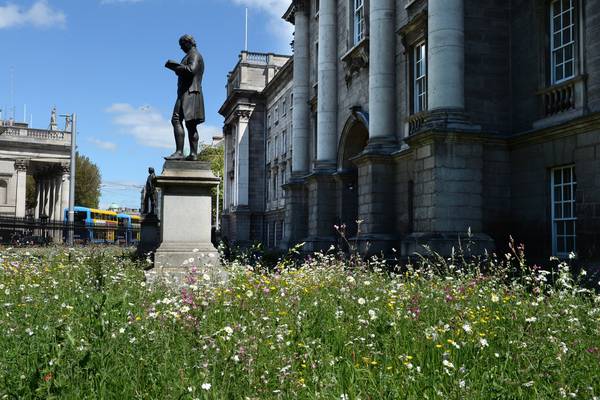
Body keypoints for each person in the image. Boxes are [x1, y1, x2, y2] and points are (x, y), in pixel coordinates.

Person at [165, 34, 205, 161]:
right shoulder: (188, 55)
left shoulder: (195, 55)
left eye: (182, 45)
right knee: (186, 123)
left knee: (182, 121)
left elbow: (191, 70)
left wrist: (176, 67)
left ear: (189, 43)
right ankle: (188, 153)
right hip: (185, 93)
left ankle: (183, 152)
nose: (181, 48)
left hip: (190, 93)